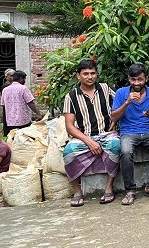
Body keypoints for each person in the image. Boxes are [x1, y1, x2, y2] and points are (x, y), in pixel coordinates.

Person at [62, 59, 120, 207]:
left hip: (106, 134)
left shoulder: (106, 89)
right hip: (83, 136)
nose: (90, 77)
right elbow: (69, 126)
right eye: (86, 74)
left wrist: (114, 121)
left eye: (93, 73)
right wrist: (89, 141)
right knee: (68, 152)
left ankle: (109, 187)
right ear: (78, 76)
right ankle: (77, 191)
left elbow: (120, 105)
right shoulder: (72, 96)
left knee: (116, 146)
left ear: (97, 74)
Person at [111, 63, 149, 205]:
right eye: (133, 79)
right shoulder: (121, 93)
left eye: (140, 79)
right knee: (125, 151)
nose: (137, 83)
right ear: (129, 79)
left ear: (146, 79)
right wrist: (127, 102)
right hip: (128, 132)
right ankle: (130, 190)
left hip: (148, 131)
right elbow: (113, 117)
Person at [0, 70, 42, 136]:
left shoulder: (5, 90)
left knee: (13, 140)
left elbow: (3, 104)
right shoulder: (23, 88)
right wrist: (38, 113)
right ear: (20, 79)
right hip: (23, 120)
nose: (25, 81)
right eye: (24, 79)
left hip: (10, 122)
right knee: (24, 139)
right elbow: (30, 103)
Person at [1, 68, 15, 134]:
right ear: (6, 77)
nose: (13, 77)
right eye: (11, 75)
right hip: (8, 106)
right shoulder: (5, 86)